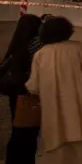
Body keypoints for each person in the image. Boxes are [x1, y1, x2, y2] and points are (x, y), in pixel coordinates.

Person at [26, 16, 82, 164]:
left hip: (52, 108)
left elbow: (34, 85)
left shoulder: (40, 54)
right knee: (79, 146)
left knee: (56, 147)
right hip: (77, 105)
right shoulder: (78, 48)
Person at [3, 14, 43, 164]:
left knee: (17, 127)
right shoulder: (37, 44)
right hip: (29, 93)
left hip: (15, 92)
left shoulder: (16, 43)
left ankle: (12, 159)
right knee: (29, 131)